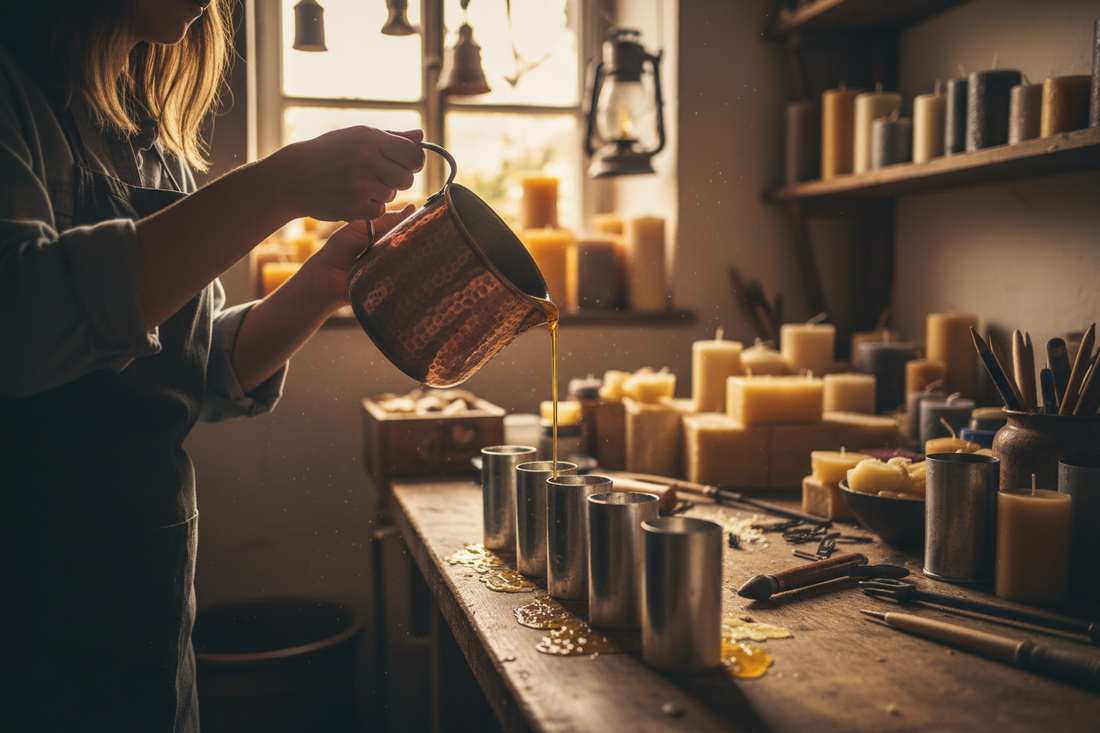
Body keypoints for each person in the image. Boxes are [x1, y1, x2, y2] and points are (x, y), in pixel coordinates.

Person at [0, 0, 425, 729]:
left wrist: (325, 284)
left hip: (149, 607)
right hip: (33, 607)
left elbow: (190, 369)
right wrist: (277, 185)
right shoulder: (14, 93)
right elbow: (19, 322)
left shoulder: (144, 135)